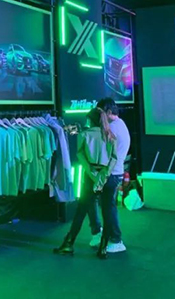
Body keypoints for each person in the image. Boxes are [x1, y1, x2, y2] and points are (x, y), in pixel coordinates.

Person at [53, 107, 117, 257]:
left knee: (81, 210)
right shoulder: (110, 136)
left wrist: (93, 175)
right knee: (107, 212)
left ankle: (68, 244)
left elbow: (81, 156)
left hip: (90, 176)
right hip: (107, 177)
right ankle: (103, 248)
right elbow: (114, 159)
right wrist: (103, 176)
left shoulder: (84, 135)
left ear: (91, 119)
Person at [97, 97, 131, 255]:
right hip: (116, 172)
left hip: (112, 173)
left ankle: (116, 240)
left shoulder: (112, 128)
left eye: (101, 113)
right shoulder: (120, 123)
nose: (99, 116)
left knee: (109, 208)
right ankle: (111, 236)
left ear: (108, 112)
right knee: (108, 207)